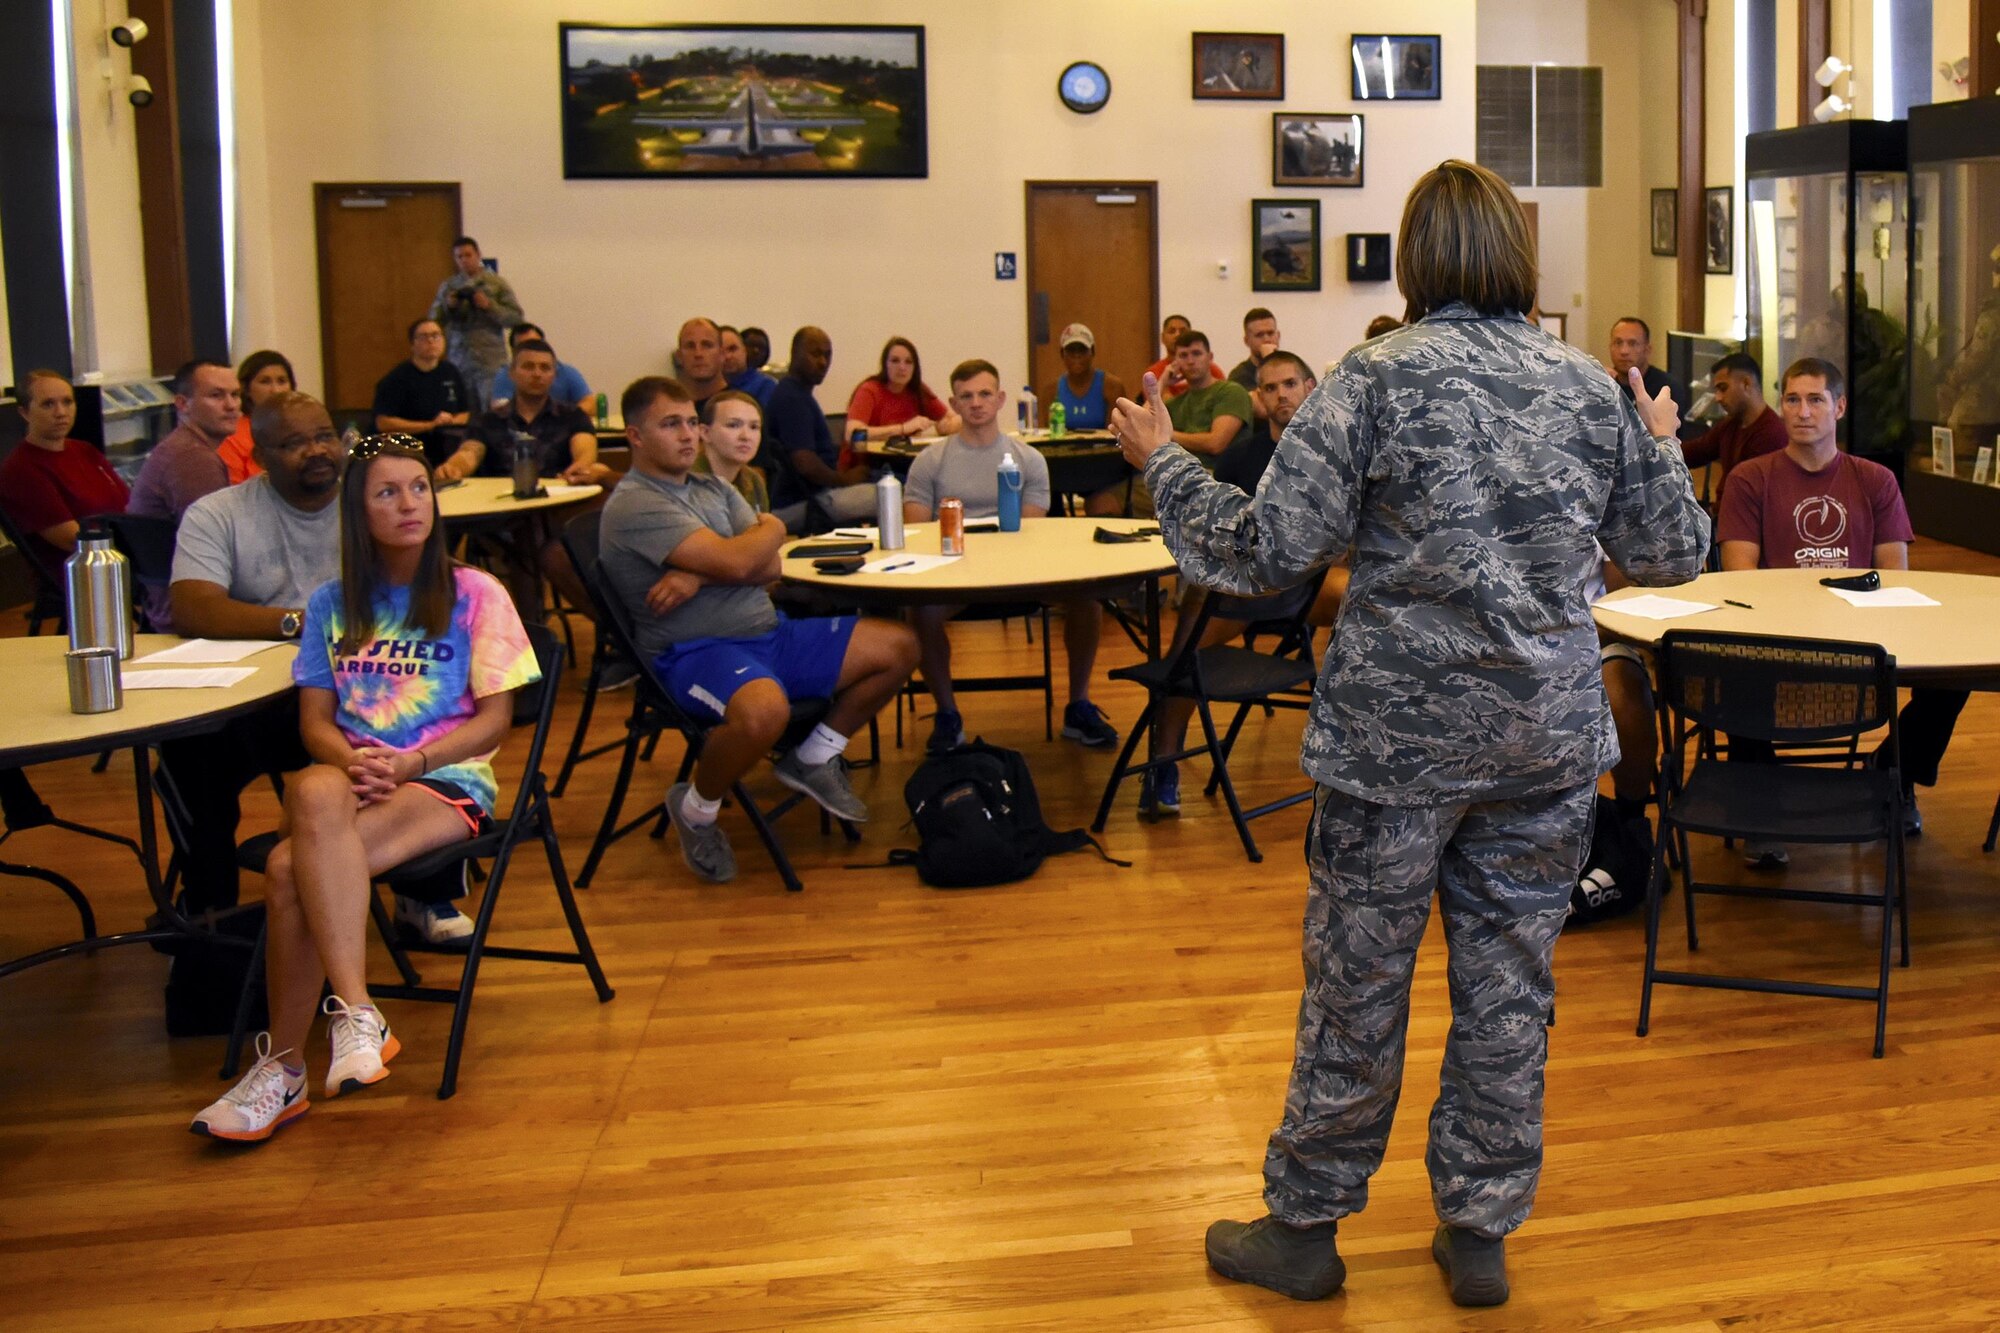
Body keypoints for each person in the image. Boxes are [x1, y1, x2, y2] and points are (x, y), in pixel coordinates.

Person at [1113, 159, 1708, 1308]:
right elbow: (1674, 552)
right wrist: (1660, 438)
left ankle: (1305, 1227)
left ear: (1414, 256)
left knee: (1357, 981)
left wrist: (1165, 467)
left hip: (1396, 747)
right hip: (1540, 743)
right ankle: (1478, 1230)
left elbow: (1261, 552)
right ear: (1516, 258)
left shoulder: (1372, 379)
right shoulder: (1588, 387)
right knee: (1507, 986)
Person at [189, 433, 540, 1142]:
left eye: (419, 487)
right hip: (354, 781)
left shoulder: (476, 592)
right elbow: (316, 722)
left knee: (290, 868)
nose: (410, 503)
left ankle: (283, 1070)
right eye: (387, 492)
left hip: (444, 777)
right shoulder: (330, 604)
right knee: (314, 791)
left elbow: (497, 718)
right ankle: (355, 1010)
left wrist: (412, 761)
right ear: (358, 510)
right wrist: (353, 761)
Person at [598, 376, 918, 883]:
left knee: (898, 645)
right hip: (694, 652)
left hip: (768, 633)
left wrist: (712, 566)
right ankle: (697, 810)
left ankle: (812, 756)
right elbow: (749, 556)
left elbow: (770, 569)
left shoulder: (711, 487)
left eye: (689, 422)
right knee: (765, 710)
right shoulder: (638, 502)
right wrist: (765, 530)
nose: (687, 435)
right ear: (635, 436)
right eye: (669, 424)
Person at [1718, 357, 1960, 847]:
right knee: (1729, 666)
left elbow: (1895, 577)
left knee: (1955, 677)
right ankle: (1759, 805)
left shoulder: (1874, 480)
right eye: (1791, 399)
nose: (1802, 411)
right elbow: (1739, 578)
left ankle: (1894, 774)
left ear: (1840, 406)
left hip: (1862, 637)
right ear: (1780, 405)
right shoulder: (1751, 478)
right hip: (1777, 635)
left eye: (1815, 399)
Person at [1143, 350, 1337, 814]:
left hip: (1314, 584)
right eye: (1269, 388)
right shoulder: (1240, 458)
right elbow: (1204, 532)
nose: (1280, 395)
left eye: (1289, 383)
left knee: (1372, 601)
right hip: (1246, 586)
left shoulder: (1333, 450)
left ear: (1309, 387)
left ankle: (1354, 750)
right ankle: (1164, 760)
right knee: (1185, 654)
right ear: (1260, 398)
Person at [902, 359, 1120, 753]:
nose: (977, 403)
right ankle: (947, 715)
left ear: (1000, 398)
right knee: (921, 612)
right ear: (953, 402)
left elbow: (1029, 531)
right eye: (966, 396)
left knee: (1087, 601)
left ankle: (1078, 704)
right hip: (955, 574)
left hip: (1023, 573)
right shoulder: (929, 462)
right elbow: (916, 534)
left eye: (985, 394)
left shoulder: (1029, 460)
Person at [1, 368, 131, 575]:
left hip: (122, 558)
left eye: (67, 402)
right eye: (48, 404)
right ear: (25, 412)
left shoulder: (85, 450)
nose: (61, 412)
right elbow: (72, 540)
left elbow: (128, 504)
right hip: (85, 576)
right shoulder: (21, 468)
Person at [438, 340, 607, 486]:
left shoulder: (573, 416)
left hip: (557, 503)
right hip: (501, 507)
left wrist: (582, 464)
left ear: (554, 375)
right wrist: (454, 467)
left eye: (545, 368)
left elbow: (585, 448)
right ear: (512, 373)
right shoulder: (488, 420)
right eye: (528, 367)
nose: (537, 374)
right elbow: (470, 452)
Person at [764, 326, 875, 529]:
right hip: (803, 503)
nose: (823, 362)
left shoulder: (797, 394)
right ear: (795, 354)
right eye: (815, 354)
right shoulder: (792, 399)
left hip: (815, 496)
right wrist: (843, 480)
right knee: (892, 495)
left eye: (827, 355)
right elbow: (805, 463)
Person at [127, 359, 239, 524]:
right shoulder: (192, 456)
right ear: (183, 403)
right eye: (216, 395)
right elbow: (215, 536)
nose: (231, 405)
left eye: (235, 395)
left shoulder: (183, 445)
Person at [428, 235, 522, 410]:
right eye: (459, 257)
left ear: (478, 255)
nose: (464, 260)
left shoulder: (496, 284)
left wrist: (490, 306)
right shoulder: (449, 286)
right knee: (463, 411)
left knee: (493, 411)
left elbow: (516, 318)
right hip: (459, 360)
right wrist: (448, 306)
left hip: (489, 359)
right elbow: (432, 321)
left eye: (468, 255)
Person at [1680, 350, 1786, 500]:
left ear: (1746, 383)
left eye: (1723, 388)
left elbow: (1748, 493)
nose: (1718, 398)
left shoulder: (1771, 433)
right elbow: (1699, 450)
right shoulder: (1731, 423)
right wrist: (1657, 452)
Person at [842, 336, 960, 466]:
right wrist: (903, 429)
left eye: (908, 362)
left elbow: (951, 419)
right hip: (867, 466)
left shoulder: (918, 390)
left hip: (904, 462)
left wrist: (949, 424)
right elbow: (853, 434)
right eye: (895, 361)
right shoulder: (869, 390)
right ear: (885, 364)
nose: (902, 367)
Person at [373, 318, 472, 468]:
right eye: (424, 337)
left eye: (436, 336)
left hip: (447, 448)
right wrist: (431, 425)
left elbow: (465, 413)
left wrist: (449, 422)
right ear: (413, 344)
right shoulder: (397, 378)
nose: (431, 341)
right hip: (408, 451)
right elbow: (384, 423)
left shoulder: (451, 371)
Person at [217, 350, 296, 485]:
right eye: (265, 382)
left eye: (282, 381)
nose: (275, 390)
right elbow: (233, 494)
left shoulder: (299, 428)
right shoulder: (232, 437)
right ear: (246, 390)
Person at [695, 390, 772, 514]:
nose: (746, 436)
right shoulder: (686, 482)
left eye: (754, 427)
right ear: (705, 432)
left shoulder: (754, 481)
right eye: (733, 425)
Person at [1040, 323, 1127, 432]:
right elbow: (1049, 435)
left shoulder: (1112, 387)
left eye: (1082, 349)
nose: (1077, 355)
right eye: (1071, 350)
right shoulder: (1051, 391)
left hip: (1104, 448)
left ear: (1093, 352)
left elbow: (1116, 435)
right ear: (1062, 354)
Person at [490, 323, 592, 410]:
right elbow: (500, 408)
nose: (537, 374)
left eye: (536, 344)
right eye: (524, 346)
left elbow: (590, 403)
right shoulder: (505, 375)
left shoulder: (566, 371)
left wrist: (564, 419)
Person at [1608, 317, 1684, 420]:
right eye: (1618, 343)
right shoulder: (1604, 386)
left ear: (1647, 350)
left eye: (1632, 343)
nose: (1624, 351)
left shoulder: (1666, 390)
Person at [1141, 313, 1221, 400]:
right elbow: (1160, 406)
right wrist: (1164, 382)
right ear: (1162, 338)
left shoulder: (1209, 368)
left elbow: (1222, 397)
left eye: (1183, 331)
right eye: (1172, 331)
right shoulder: (1154, 373)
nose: (1177, 335)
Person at [1227, 307, 1282, 420]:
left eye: (1270, 333)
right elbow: (1265, 410)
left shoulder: (1293, 367)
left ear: (1278, 336)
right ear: (1247, 341)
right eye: (1259, 335)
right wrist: (1269, 361)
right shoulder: (1239, 375)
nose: (1267, 339)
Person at [674, 317, 729, 416]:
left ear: (722, 354)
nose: (698, 354)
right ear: (679, 356)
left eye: (707, 345)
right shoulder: (672, 410)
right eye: (690, 346)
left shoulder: (742, 406)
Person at [720, 325, 779, 409]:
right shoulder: (708, 387)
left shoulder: (765, 386)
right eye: (721, 351)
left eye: (733, 349)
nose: (728, 356)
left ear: (744, 351)